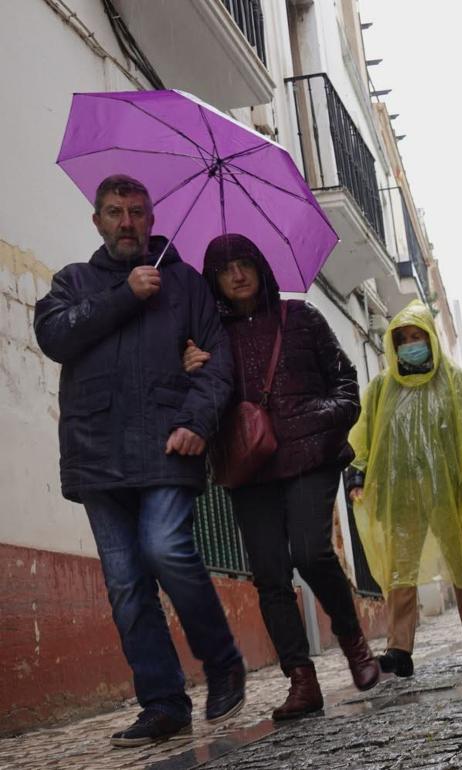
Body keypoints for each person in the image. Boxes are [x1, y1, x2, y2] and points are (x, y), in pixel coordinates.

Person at [33, 175, 245, 747]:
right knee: (126, 585)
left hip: (166, 444)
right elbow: (54, 335)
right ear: (96, 221)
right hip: (96, 453)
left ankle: (223, 662)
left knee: (165, 547)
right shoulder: (73, 283)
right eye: (114, 212)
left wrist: (197, 422)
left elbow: (219, 361)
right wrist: (127, 293)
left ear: (151, 219)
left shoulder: (188, 285)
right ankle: (164, 703)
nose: (126, 221)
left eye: (136, 211)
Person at [181, 234, 379, 720]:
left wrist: (315, 421)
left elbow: (348, 387)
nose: (237, 275)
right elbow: (202, 404)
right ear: (214, 279)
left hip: (311, 456)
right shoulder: (210, 340)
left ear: (261, 267)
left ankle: (352, 639)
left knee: (310, 551)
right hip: (251, 467)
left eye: (245, 264)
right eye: (226, 269)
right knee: (270, 574)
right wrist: (191, 371)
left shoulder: (302, 318)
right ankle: (302, 681)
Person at [346, 300, 462, 675]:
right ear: (394, 346)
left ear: (431, 339)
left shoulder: (457, 383)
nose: (411, 344)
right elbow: (362, 438)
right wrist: (356, 476)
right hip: (400, 494)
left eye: (418, 337)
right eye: (404, 339)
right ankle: (399, 649)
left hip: (449, 492)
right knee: (401, 571)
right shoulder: (383, 388)